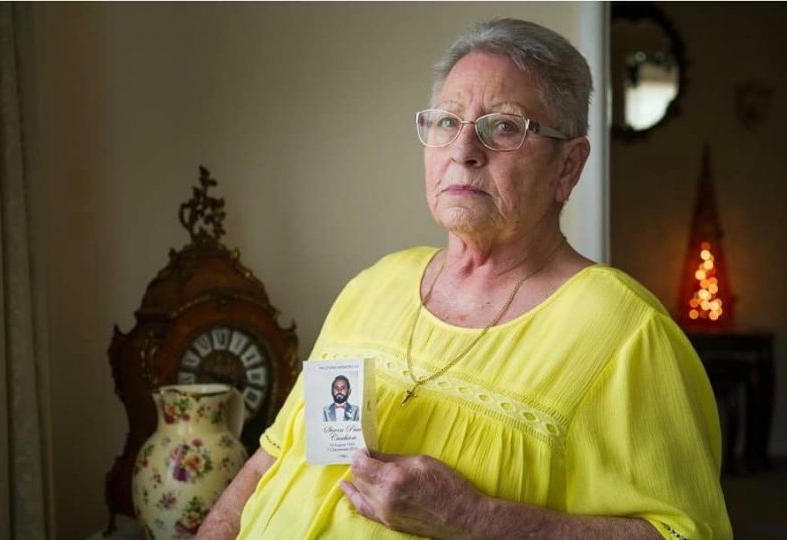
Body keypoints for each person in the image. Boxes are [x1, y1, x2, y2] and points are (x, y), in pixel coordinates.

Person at [199, 18, 732, 540]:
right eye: (447, 122)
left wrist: (478, 520)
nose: (463, 150)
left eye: (504, 126)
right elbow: (272, 457)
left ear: (567, 167)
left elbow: (682, 533)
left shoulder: (626, 333)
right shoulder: (374, 284)